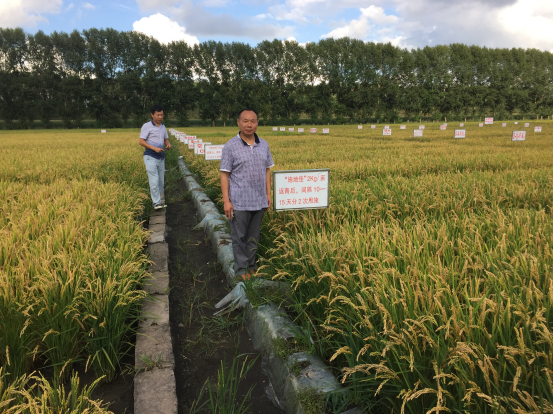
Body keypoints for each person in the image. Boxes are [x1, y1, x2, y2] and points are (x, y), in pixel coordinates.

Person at [220, 109, 274, 280]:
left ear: (257, 123)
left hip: (259, 200)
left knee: (253, 237)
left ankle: (251, 265)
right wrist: (226, 201)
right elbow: (224, 174)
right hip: (239, 201)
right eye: (245, 121)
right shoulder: (230, 146)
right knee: (239, 237)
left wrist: (268, 194)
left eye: (253, 121)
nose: (249, 124)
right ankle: (241, 270)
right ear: (238, 122)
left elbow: (267, 171)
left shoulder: (264, 145)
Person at [140, 105, 171, 210]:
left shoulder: (163, 127)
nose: (160, 117)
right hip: (150, 156)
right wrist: (154, 148)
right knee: (154, 180)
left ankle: (158, 202)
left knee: (161, 181)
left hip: (161, 157)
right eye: (158, 115)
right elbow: (141, 141)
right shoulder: (147, 126)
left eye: (161, 115)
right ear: (152, 114)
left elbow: (165, 139)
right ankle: (156, 203)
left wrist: (168, 144)